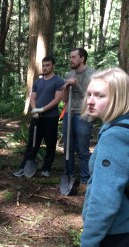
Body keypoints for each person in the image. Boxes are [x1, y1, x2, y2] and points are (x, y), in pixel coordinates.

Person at [78, 67, 129, 247]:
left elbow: (105, 198)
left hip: (116, 237)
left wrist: (89, 245)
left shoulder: (115, 137)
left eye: (99, 95)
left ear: (118, 97)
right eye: (89, 94)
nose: (90, 101)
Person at [13, 56, 64, 177]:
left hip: (51, 118)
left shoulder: (58, 81)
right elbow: (32, 97)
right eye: (44, 65)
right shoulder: (38, 82)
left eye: (48, 65)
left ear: (53, 66)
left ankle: (46, 168)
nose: (45, 67)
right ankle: (24, 167)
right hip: (37, 118)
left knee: (50, 144)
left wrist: (42, 109)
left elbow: (57, 99)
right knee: (32, 143)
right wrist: (35, 109)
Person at [61, 48, 95, 193]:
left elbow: (90, 97)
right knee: (68, 148)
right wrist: (66, 87)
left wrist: (77, 85)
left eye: (73, 57)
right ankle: (68, 177)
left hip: (84, 115)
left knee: (82, 149)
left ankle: (84, 181)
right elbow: (64, 99)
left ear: (82, 59)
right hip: (69, 113)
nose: (71, 59)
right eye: (70, 57)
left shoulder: (92, 74)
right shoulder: (69, 74)